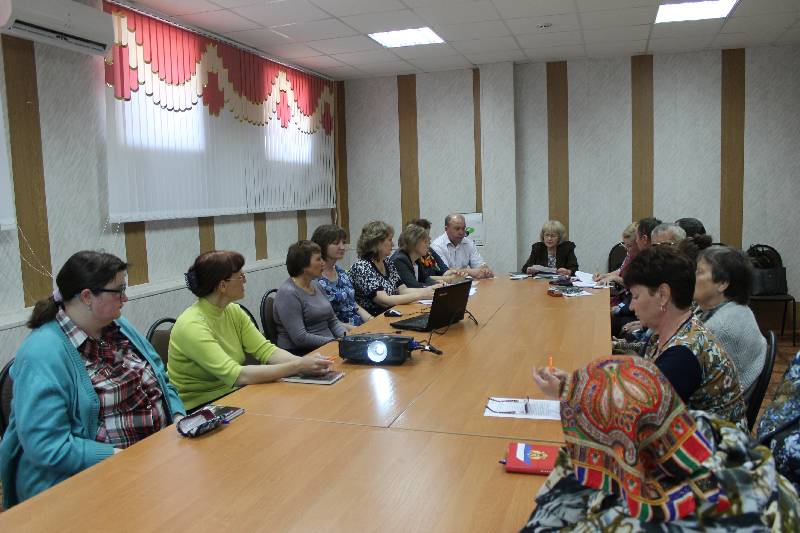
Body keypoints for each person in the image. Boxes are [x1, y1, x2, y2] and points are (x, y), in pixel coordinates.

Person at [526, 356, 800, 531]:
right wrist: (578, 392)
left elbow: (542, 523)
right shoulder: (724, 439)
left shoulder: (631, 518)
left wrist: (573, 460)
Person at [0, 251, 186, 508]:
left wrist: (177, 417)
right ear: (87, 296)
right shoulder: (42, 353)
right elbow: (46, 446)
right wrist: (120, 457)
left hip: (150, 462)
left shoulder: (118, 326)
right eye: (118, 291)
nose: (125, 298)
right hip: (81, 484)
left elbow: (160, 377)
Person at [168, 251, 332, 410]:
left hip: (233, 395)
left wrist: (307, 363)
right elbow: (238, 375)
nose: (245, 280)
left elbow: (266, 351)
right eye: (240, 276)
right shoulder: (192, 325)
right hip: (200, 408)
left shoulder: (233, 311)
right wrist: (298, 366)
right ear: (222, 286)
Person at [622, 245, 746, 426]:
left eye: (636, 296)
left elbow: (638, 416)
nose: (631, 306)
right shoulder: (675, 329)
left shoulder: (682, 355)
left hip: (709, 442)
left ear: (663, 295)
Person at [694, 246, 766, 393]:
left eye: (699, 272)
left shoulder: (720, 328)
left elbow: (692, 379)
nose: (692, 276)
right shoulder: (736, 308)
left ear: (722, 283)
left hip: (723, 403)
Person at [273, 241, 349, 353]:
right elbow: (300, 338)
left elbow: (332, 321)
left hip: (327, 346)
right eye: (318, 259)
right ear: (303, 265)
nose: (323, 263)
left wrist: (347, 338)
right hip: (302, 353)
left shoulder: (316, 285)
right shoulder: (288, 294)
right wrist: (335, 342)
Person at [349, 221, 435, 316]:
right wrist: (422, 295)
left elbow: (402, 290)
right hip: (373, 318)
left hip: (392, 313)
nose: (393, 244)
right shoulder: (362, 267)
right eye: (389, 240)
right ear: (377, 242)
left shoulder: (387, 262)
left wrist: (430, 290)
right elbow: (384, 301)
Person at [310, 224, 371, 328]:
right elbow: (325, 321)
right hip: (339, 331)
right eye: (336, 243)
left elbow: (354, 305)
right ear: (322, 245)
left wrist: (371, 320)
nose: (342, 247)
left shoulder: (341, 272)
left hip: (358, 326)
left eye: (343, 242)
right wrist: (358, 330)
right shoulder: (314, 279)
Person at [390, 224, 463, 288]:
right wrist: (435, 286)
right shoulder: (400, 260)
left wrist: (437, 283)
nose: (428, 244)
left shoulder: (416, 258)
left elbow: (425, 279)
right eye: (425, 241)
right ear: (414, 243)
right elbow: (413, 285)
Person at [430, 213, 494, 279]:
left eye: (463, 228)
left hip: (465, 282)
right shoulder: (437, 246)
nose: (461, 232)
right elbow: (445, 273)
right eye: (457, 229)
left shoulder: (468, 243)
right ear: (446, 229)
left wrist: (484, 270)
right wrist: (470, 272)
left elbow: (479, 265)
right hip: (446, 284)